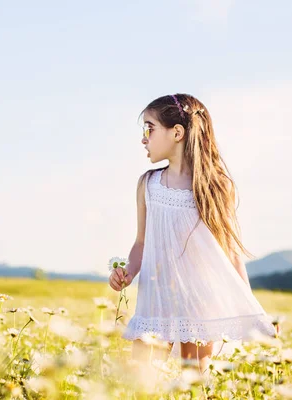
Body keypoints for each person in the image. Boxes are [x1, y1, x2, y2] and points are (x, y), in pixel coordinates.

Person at [108, 93, 279, 374]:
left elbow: (230, 254)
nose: (143, 138)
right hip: (156, 301)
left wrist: (252, 309)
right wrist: (128, 271)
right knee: (139, 380)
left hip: (200, 303)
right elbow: (141, 243)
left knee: (193, 381)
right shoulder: (147, 185)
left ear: (177, 133)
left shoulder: (215, 187)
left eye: (149, 128)